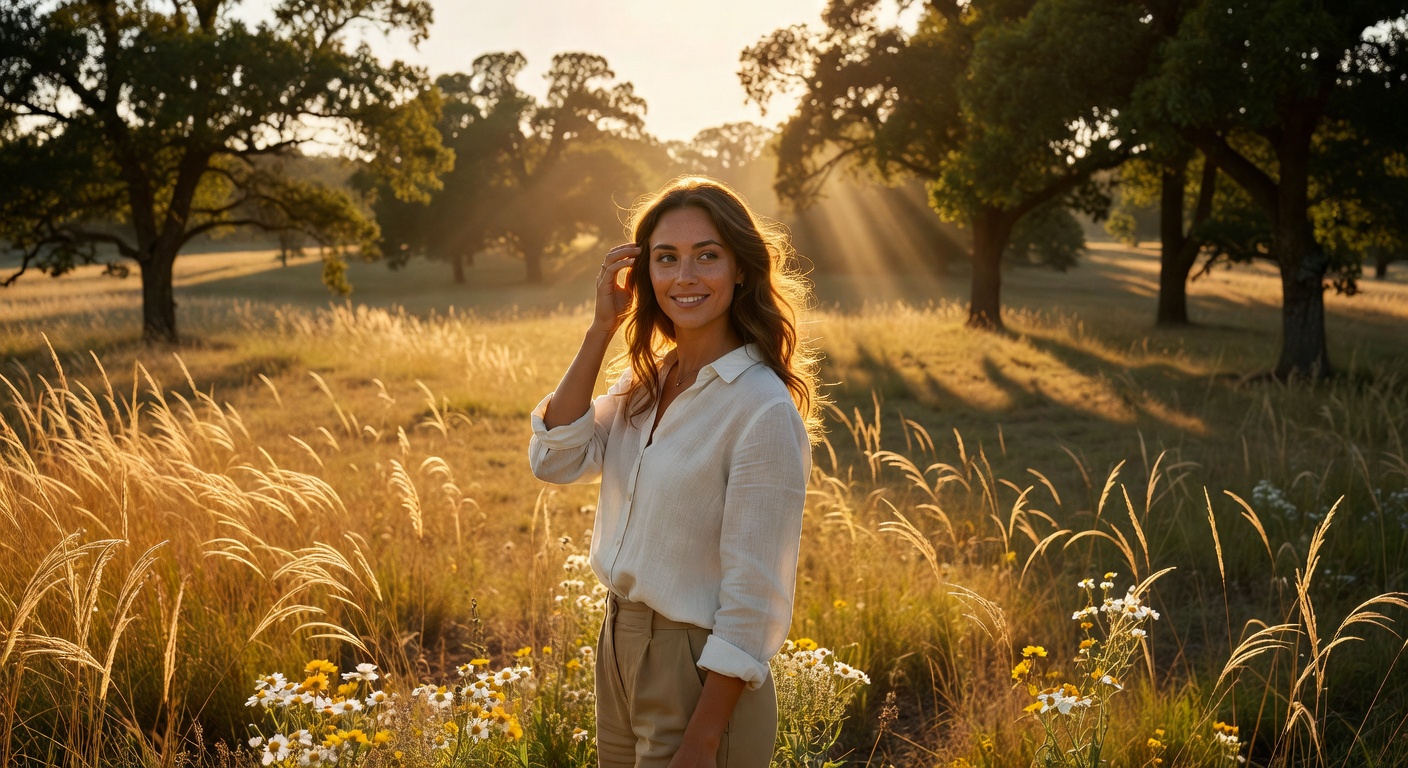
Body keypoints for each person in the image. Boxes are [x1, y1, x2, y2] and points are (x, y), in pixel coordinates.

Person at [528, 176, 822, 768]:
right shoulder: (648, 382)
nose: (685, 276)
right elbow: (554, 459)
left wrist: (702, 739)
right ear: (646, 276)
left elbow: (753, 598)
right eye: (666, 259)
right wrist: (600, 331)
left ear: (740, 270)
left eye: (706, 256)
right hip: (617, 645)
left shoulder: (760, 409)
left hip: (699, 672)